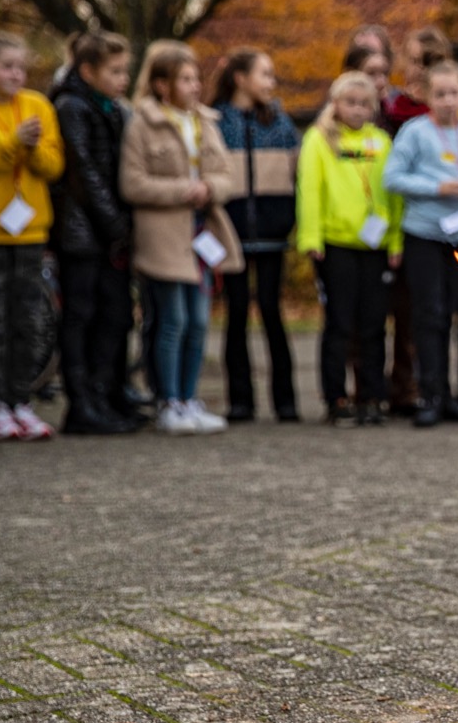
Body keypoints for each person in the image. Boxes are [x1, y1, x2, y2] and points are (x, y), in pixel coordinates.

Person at [120, 40, 243, 435]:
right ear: (161, 84)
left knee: (198, 322)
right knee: (171, 319)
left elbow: (226, 174)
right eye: (185, 79)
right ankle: (167, 400)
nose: (194, 87)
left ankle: (189, 398)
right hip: (163, 236)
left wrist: (210, 188)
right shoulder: (143, 123)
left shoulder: (205, 122)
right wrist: (181, 191)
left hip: (200, 234)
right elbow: (132, 183)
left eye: (196, 79)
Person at [382, 60, 458, 428]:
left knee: (449, 314)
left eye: (453, 93)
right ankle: (429, 395)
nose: (447, 100)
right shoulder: (414, 132)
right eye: (439, 94)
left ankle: (449, 395)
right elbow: (392, 178)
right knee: (428, 315)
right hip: (423, 234)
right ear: (427, 96)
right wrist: (437, 188)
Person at [297, 72, 402, 426]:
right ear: (335, 104)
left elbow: (394, 195)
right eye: (350, 102)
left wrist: (395, 241)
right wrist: (310, 238)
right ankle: (336, 396)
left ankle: (371, 395)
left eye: (364, 104)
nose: (357, 110)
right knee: (340, 324)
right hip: (334, 245)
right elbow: (309, 190)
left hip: (374, 246)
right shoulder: (319, 139)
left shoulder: (381, 142)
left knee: (373, 324)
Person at [49, 30, 139, 435]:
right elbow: (83, 172)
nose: (123, 79)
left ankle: (107, 393)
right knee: (81, 316)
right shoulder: (70, 106)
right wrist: (115, 223)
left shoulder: (115, 109)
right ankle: (81, 403)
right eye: (115, 71)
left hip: (110, 235)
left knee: (115, 315)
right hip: (82, 233)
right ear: (87, 70)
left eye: (126, 71)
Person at [211, 47, 300, 423]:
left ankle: (285, 401)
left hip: (271, 233)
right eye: (264, 74)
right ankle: (240, 400)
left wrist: (286, 219)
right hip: (231, 234)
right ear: (240, 78)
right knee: (235, 315)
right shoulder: (214, 123)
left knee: (271, 311)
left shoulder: (279, 124)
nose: (271, 83)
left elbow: (298, 174)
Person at [0, 31, 65, 441]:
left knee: (28, 321)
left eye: (21, 67)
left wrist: (35, 148)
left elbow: (54, 166)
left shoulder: (38, 106)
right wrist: (12, 143)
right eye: (7, 66)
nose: (16, 74)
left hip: (30, 230)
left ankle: (20, 400)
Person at [344, 45, 395, 135]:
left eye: (385, 73)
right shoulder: (329, 125)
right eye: (371, 74)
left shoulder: (395, 119)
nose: (381, 82)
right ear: (350, 75)